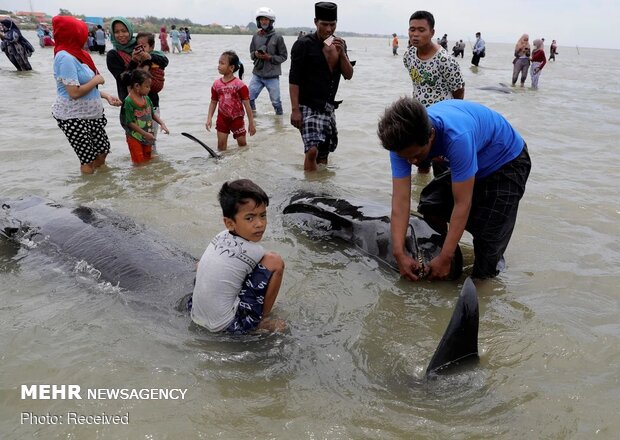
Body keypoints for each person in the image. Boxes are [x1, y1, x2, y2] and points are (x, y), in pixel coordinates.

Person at [377, 97, 531, 281]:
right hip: (472, 162)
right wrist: (399, 253)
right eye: (406, 158)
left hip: (507, 162)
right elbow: (400, 201)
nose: (412, 162)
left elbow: (462, 203)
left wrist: (446, 257)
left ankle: (475, 270)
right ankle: (443, 256)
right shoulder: (401, 144)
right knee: (431, 204)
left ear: (431, 135)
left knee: (488, 244)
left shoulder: (456, 137)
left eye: (417, 156)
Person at [191, 179, 285, 334]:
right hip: (229, 326)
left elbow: (199, 265)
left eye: (263, 216)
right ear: (230, 223)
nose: (259, 224)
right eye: (250, 218)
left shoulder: (220, 236)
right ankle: (263, 321)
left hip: (196, 314)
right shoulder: (254, 251)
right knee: (274, 261)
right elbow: (269, 268)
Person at [51, 15, 122, 174]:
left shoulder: (80, 54)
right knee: (87, 159)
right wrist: (96, 79)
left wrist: (106, 96)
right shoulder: (65, 57)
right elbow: (74, 92)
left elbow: (86, 87)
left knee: (103, 151)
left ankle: (100, 185)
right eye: (81, 33)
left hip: (92, 114)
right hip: (74, 117)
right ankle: (90, 194)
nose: (85, 36)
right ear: (72, 34)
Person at [289, 2, 354, 171]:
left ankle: (321, 187)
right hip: (307, 104)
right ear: (315, 22)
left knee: (324, 152)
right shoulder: (303, 45)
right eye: (324, 24)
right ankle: (309, 189)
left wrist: (342, 55)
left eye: (332, 24)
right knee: (311, 150)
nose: (328, 29)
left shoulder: (339, 43)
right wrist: (295, 109)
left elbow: (348, 74)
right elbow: (294, 79)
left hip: (328, 105)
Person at [403, 10, 465, 173]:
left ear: (432, 32)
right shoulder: (408, 56)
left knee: (442, 169)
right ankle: (420, 195)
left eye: (421, 30)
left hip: (442, 122)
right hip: (419, 118)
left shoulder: (445, 60)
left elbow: (459, 90)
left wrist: (453, 118)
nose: (415, 34)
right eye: (412, 29)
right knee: (420, 163)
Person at [206, 50, 256, 151]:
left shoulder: (240, 85)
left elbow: (247, 105)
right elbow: (213, 102)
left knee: (242, 146)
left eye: (222, 63)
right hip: (222, 119)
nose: (219, 66)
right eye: (219, 63)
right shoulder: (216, 84)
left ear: (231, 67)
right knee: (221, 147)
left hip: (237, 119)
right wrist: (209, 118)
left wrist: (251, 123)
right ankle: (222, 164)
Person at [121, 69, 169, 164]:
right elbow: (130, 123)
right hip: (135, 137)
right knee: (138, 163)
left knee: (147, 161)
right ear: (137, 86)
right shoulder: (129, 102)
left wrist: (162, 123)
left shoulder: (146, 98)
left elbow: (152, 114)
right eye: (147, 86)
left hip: (147, 136)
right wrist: (144, 134)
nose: (149, 89)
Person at [249, 6, 288, 115]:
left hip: (272, 76)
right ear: (258, 21)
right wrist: (256, 54)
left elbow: (284, 56)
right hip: (257, 74)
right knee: (249, 98)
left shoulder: (278, 37)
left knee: (276, 102)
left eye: (266, 19)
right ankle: (253, 117)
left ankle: (279, 121)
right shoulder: (255, 36)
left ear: (271, 21)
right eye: (261, 19)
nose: (263, 21)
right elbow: (251, 53)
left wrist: (269, 57)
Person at [135, 32, 169, 150]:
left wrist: (149, 58)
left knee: (150, 140)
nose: (141, 49)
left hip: (152, 105)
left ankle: (151, 159)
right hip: (137, 107)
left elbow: (165, 61)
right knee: (138, 140)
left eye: (144, 46)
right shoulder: (135, 60)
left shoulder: (157, 58)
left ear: (152, 47)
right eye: (138, 46)